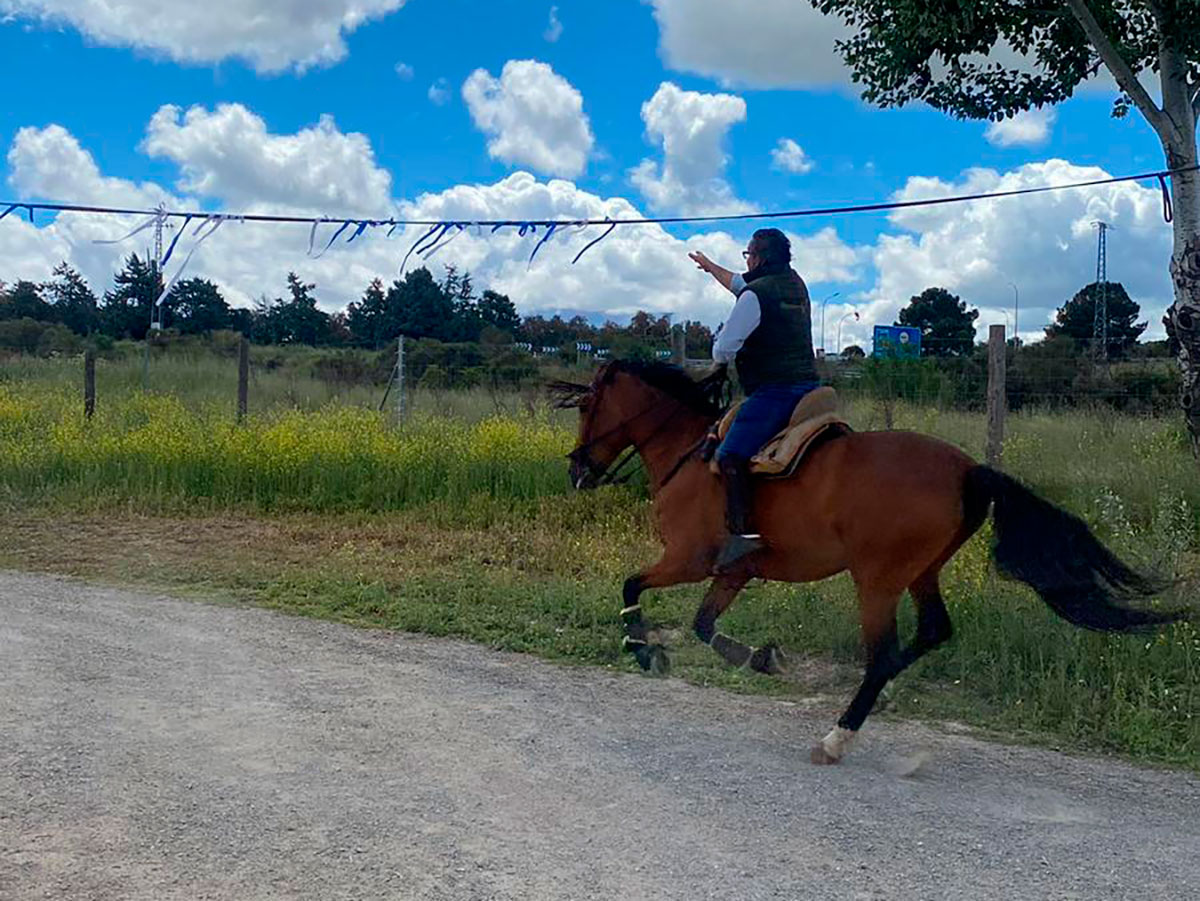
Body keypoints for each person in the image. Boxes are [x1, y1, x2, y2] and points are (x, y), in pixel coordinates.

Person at [689, 228, 819, 571]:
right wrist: (709, 266)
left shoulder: (755, 297)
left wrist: (721, 345)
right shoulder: (795, 284)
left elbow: (724, 349)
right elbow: (739, 283)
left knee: (730, 453)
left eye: (748, 255)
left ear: (759, 258)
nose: (746, 261)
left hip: (776, 391)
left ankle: (742, 537)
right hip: (811, 387)